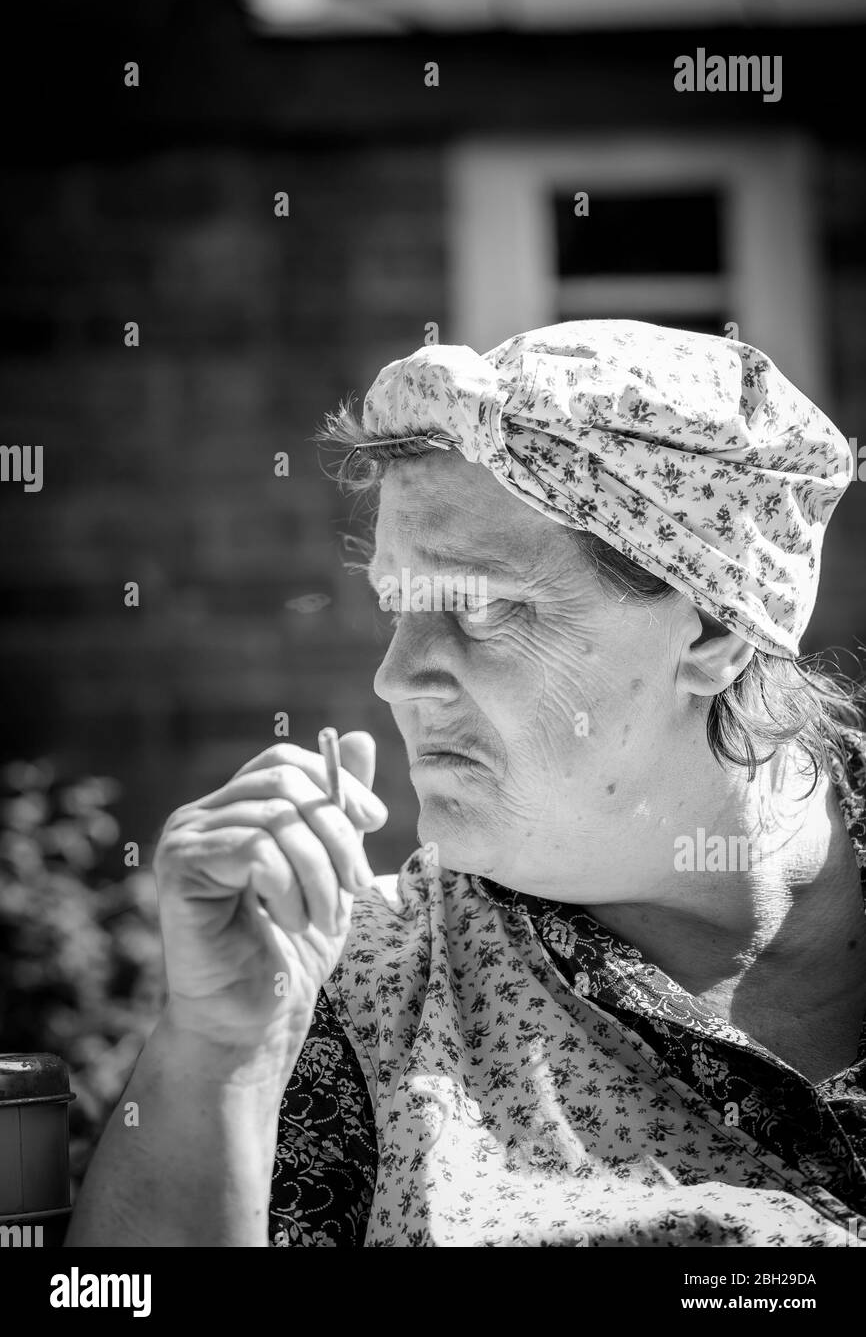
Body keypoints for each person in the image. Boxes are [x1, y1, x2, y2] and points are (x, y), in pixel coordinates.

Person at [67, 320, 866, 1248]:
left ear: (714, 634)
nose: (399, 677)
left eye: (481, 607)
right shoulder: (345, 986)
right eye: (395, 606)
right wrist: (220, 1058)